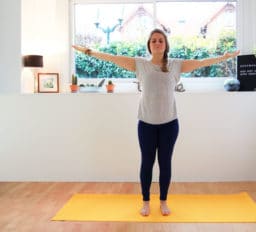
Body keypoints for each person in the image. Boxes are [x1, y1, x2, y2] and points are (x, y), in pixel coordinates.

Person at [72, 28, 240, 217]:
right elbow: (112, 58)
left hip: (169, 123)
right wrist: (88, 52)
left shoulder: (176, 65)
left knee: (165, 163)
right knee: (147, 162)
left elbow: (202, 62)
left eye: (160, 40)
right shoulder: (140, 64)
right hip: (146, 123)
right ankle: (145, 202)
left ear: (165, 44)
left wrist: (224, 57)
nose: (157, 43)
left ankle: (163, 201)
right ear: (149, 45)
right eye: (154, 41)